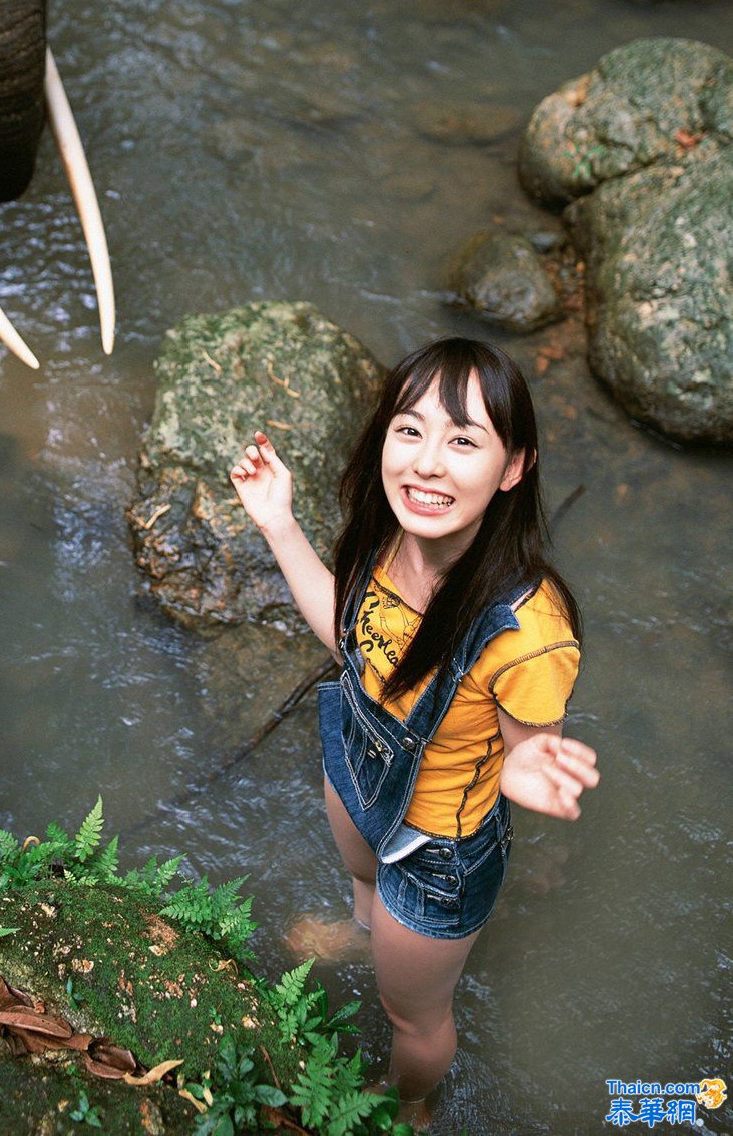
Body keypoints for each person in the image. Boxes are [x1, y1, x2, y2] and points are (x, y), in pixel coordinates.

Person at [229, 336, 599, 1131]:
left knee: (413, 1019)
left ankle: (410, 1108)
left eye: (462, 440)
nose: (427, 463)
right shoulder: (388, 529)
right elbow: (353, 642)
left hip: (437, 848)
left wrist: (522, 773)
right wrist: (277, 524)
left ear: (512, 467)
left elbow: (532, 750)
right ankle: (367, 931)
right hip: (355, 769)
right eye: (410, 429)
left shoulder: (527, 629)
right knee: (363, 886)